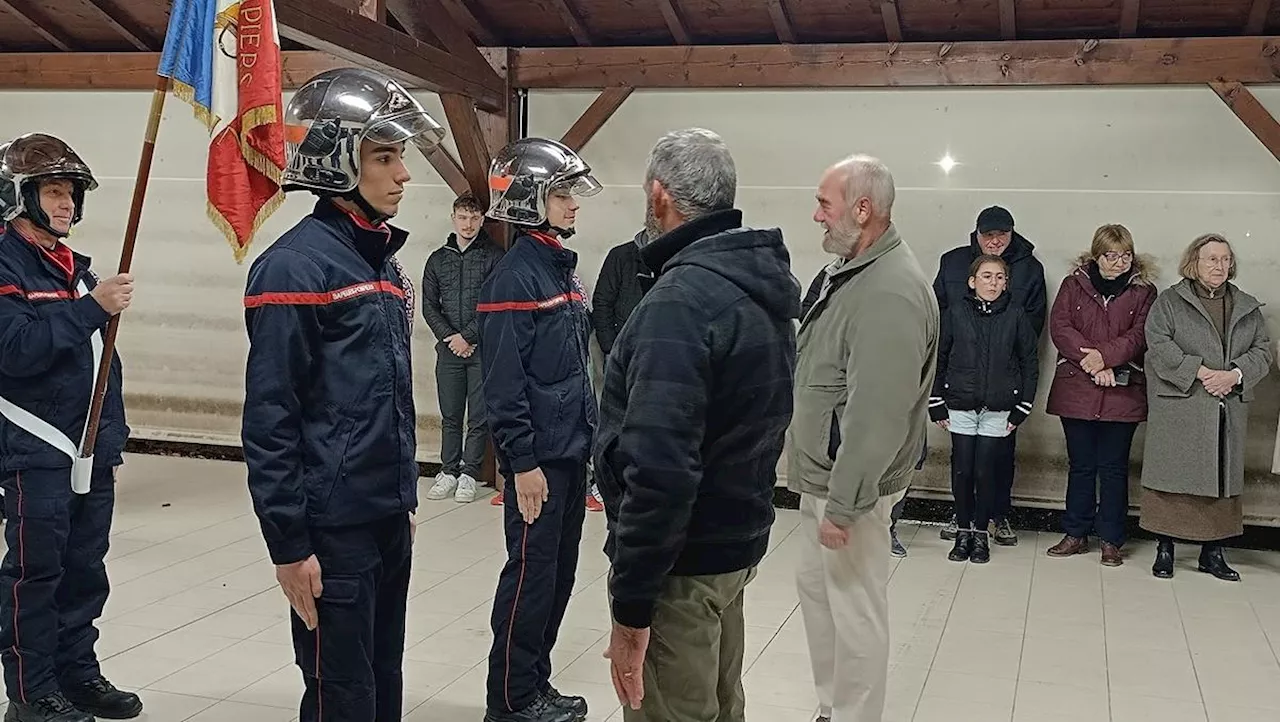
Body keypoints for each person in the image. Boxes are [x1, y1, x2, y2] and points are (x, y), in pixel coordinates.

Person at [240, 68, 445, 722]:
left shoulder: (377, 265)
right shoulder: (293, 269)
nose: (403, 174)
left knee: (383, 678)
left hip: (383, 514)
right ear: (335, 161)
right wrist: (288, 545)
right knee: (341, 693)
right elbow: (271, 421)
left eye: (401, 156)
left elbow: (382, 397)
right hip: (332, 530)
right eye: (385, 156)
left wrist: (401, 496)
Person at [594, 128, 800, 721]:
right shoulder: (755, 288)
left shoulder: (682, 303)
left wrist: (631, 609)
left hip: (681, 563)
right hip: (730, 544)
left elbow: (659, 469)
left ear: (659, 196)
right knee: (717, 702)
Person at [789, 155, 938, 722]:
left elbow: (878, 414)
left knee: (854, 608)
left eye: (824, 204)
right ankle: (832, 705)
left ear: (862, 209)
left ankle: (854, 715)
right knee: (820, 594)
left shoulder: (889, 293)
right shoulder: (850, 272)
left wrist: (846, 506)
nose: (815, 215)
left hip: (851, 485)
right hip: (825, 475)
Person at [0, 134, 142, 722]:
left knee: (86, 570)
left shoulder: (75, 270)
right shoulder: (6, 263)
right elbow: (16, 350)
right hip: (36, 451)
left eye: (70, 192)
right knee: (36, 575)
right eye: (53, 191)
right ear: (19, 195)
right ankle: (32, 695)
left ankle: (77, 674)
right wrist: (92, 309)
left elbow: (97, 365)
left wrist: (111, 436)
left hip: (88, 453)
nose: (65, 203)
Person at [478, 137, 601, 722]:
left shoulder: (558, 269)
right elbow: (504, 384)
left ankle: (534, 683)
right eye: (561, 193)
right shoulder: (515, 277)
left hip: (569, 457)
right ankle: (510, 701)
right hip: (539, 464)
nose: (573, 204)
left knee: (557, 576)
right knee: (529, 580)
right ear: (529, 200)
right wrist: (520, 463)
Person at [1139, 234, 1271, 582]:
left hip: (1225, 405)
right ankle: (1164, 549)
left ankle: (1212, 553)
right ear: (1193, 263)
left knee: (1220, 478)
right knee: (1171, 476)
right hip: (1181, 404)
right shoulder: (1169, 302)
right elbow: (1157, 344)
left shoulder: (1247, 306)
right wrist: (1199, 372)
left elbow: (1263, 351)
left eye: (1226, 259)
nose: (1220, 266)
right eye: (1212, 259)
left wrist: (1235, 375)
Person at [1044, 225, 1156, 566]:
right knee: (1080, 466)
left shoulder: (1144, 291)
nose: (1119, 262)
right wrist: (1094, 363)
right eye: (1111, 255)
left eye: (1125, 255)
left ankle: (1111, 539)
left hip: (1122, 394)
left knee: (1113, 468)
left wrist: (1105, 357)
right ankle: (1075, 533)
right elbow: (1060, 328)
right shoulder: (1072, 285)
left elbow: (1141, 336)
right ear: (1096, 255)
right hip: (1078, 389)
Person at [933, 205, 1045, 546]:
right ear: (977, 234)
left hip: (1001, 383)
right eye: (988, 235)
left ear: (1012, 234)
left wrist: (1008, 369)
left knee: (999, 456)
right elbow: (937, 319)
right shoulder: (952, 261)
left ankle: (998, 514)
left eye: (1002, 235)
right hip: (962, 382)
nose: (995, 241)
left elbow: (1034, 328)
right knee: (963, 459)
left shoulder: (1030, 268)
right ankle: (963, 516)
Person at [421, 193, 502, 504]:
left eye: (474, 218)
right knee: (450, 415)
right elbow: (430, 307)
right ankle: (448, 471)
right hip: (448, 351)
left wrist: (469, 337)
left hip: (481, 350)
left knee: (479, 417)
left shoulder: (494, 256)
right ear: (453, 218)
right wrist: (452, 338)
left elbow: (494, 303)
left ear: (482, 220)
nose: (468, 224)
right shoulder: (437, 260)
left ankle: (469, 473)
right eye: (463, 218)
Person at [591, 232, 655, 358]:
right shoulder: (621, 256)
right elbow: (602, 301)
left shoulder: (679, 258)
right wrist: (610, 347)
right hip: (623, 351)